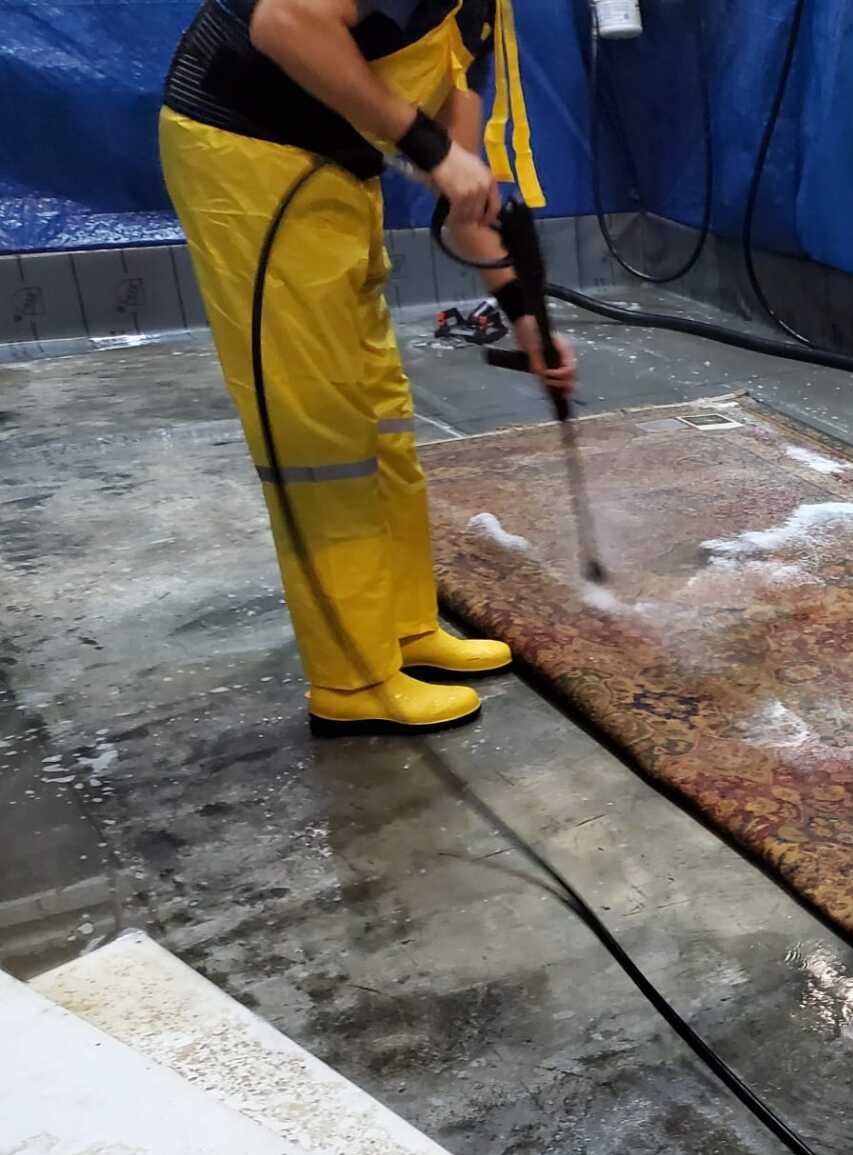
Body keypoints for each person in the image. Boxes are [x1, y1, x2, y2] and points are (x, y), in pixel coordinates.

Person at [158, 0, 576, 734]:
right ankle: (352, 680)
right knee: (318, 436)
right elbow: (283, 20)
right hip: (247, 154)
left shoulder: (481, 15)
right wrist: (425, 143)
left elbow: (466, 197)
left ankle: (407, 627)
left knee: (380, 417)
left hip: (335, 168)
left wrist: (526, 317)